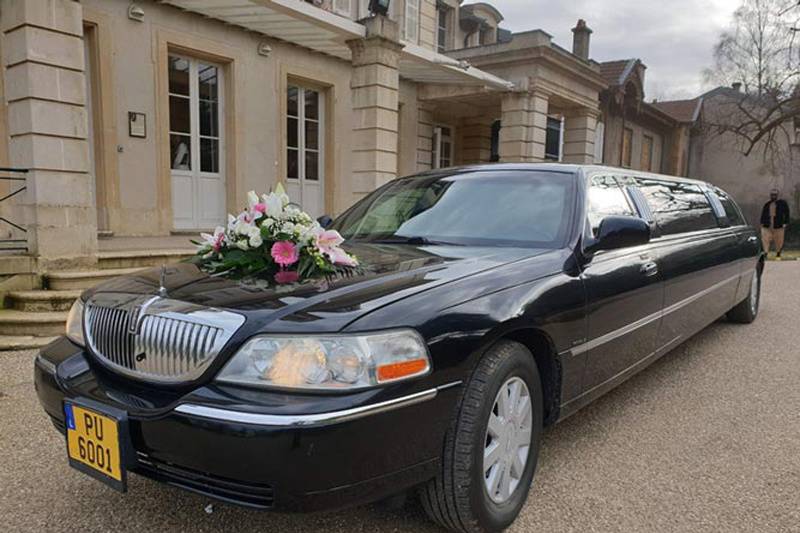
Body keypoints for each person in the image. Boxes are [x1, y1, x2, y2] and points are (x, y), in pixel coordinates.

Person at [760, 189, 790, 258]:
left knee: (779, 240)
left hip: (778, 225)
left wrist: (785, 222)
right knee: (765, 239)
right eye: (772, 195)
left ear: (777, 195)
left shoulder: (782, 203)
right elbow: (763, 214)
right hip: (767, 225)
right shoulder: (767, 204)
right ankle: (766, 252)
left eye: (775, 195)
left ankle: (778, 253)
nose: (773, 196)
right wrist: (761, 222)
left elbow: (787, 213)